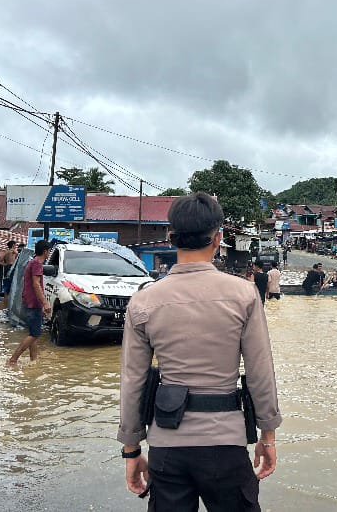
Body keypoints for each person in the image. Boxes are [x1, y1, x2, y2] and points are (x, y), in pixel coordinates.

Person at [118, 192, 280, 509]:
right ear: (218, 238)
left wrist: (131, 449)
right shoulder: (244, 294)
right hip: (227, 443)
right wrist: (268, 435)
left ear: (170, 237)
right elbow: (261, 372)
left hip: (167, 448)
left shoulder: (143, 301)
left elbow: (132, 380)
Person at [7, 240, 52, 366]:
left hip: (29, 302)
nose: (49, 253)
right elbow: (36, 284)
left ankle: (33, 360)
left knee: (34, 333)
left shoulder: (32, 262)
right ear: (45, 251)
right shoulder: (37, 264)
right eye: (49, 251)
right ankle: (13, 359)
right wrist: (45, 303)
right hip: (34, 303)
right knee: (35, 334)